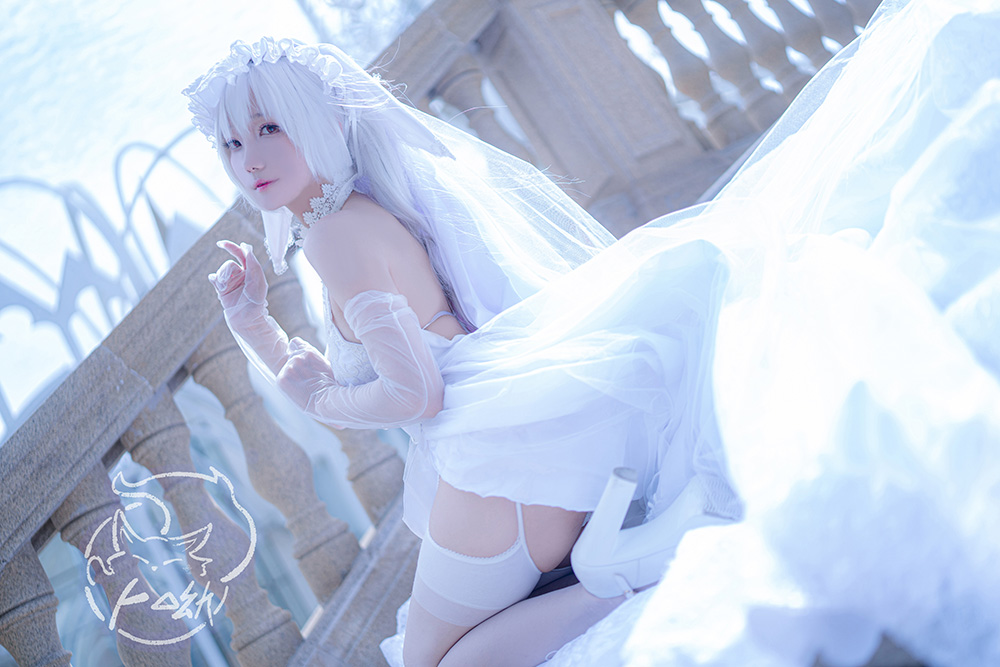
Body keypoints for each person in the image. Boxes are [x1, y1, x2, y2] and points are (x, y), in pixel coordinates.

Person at [184, 0, 1000, 663]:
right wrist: (255, 325)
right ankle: (618, 566)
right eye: (229, 142)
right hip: (518, 467)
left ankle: (637, 570)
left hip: (493, 483)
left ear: (316, 122)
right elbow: (420, 355)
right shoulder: (361, 210)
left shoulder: (333, 236)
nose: (248, 158)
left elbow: (415, 391)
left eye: (269, 128)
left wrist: (320, 397)